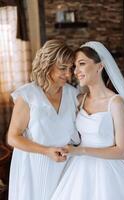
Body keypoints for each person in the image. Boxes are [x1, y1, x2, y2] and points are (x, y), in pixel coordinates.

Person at [51, 41, 124, 200]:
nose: (76, 71)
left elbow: (123, 151)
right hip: (79, 170)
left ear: (100, 66)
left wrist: (81, 151)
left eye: (82, 64)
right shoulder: (79, 100)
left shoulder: (115, 103)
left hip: (109, 173)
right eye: (75, 66)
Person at [7, 39, 80, 200]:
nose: (68, 75)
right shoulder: (28, 95)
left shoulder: (72, 94)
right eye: (62, 68)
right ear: (47, 65)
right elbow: (13, 137)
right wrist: (46, 151)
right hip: (34, 167)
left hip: (65, 165)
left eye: (70, 68)